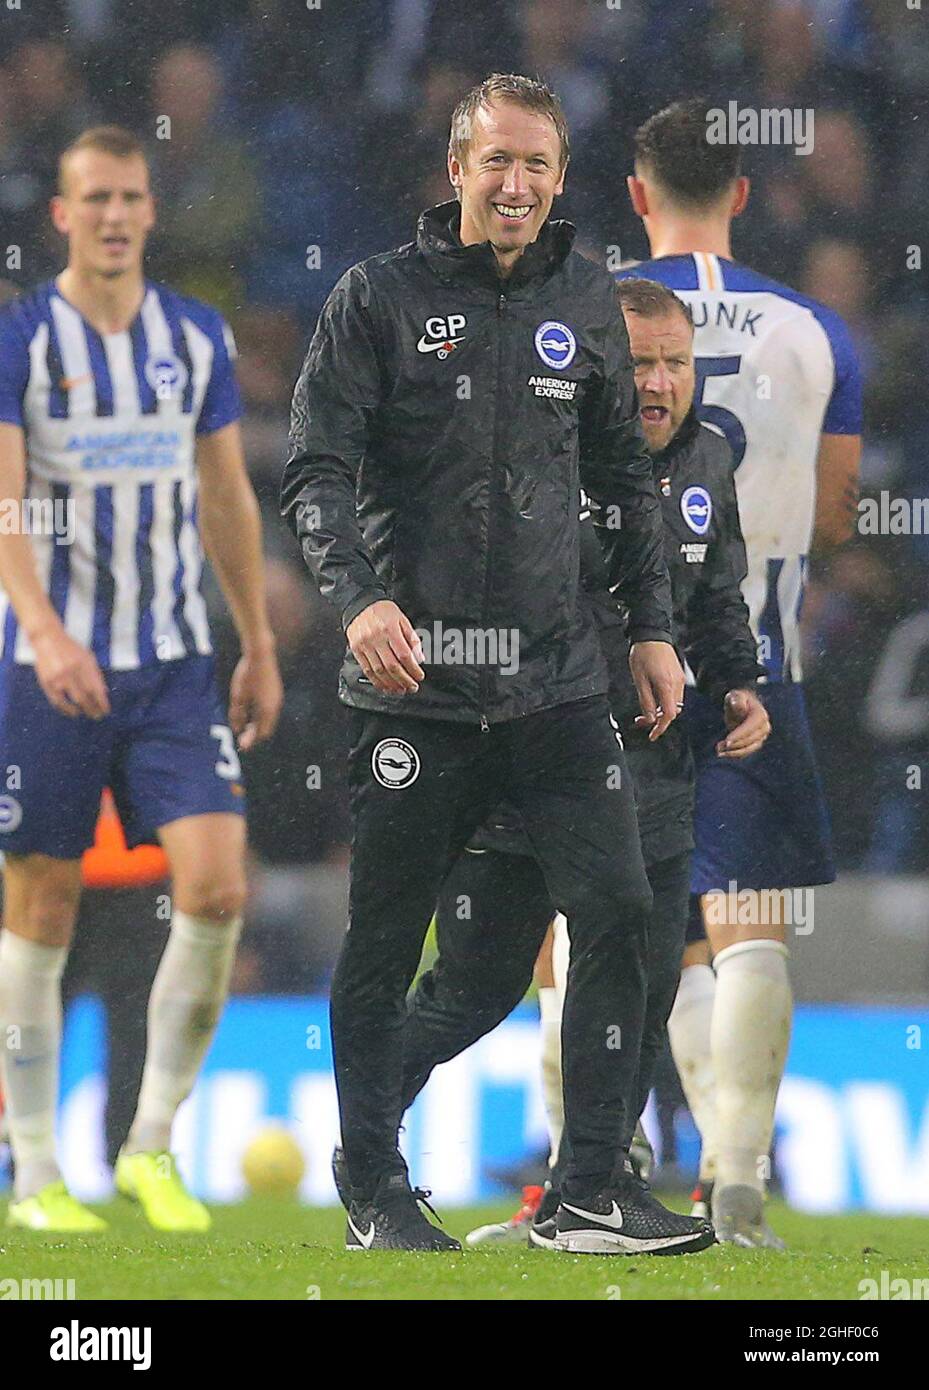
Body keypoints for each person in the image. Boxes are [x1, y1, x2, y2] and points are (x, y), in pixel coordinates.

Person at [282, 73, 712, 1256]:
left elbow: (624, 476)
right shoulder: (376, 298)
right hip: (414, 690)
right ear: (455, 171)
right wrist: (359, 601)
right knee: (388, 941)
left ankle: (587, 1191)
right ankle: (374, 1182)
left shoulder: (584, 292)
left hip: (558, 681)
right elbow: (312, 470)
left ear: (560, 179)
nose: (515, 184)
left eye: (536, 164)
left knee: (621, 912)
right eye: (494, 163)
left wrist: (653, 626)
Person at [388, 278, 768, 1249]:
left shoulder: (709, 461)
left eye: (674, 363)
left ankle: (584, 1189)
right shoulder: (546, 462)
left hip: (657, 768)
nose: (657, 382)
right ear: (598, 368)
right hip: (533, 762)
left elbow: (715, 596)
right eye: (637, 362)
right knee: (474, 987)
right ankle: (364, 1148)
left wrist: (736, 683)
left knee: (639, 977)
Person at [0, 126, 282, 1233]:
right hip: (47, 668)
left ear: (150, 213)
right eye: (94, 199)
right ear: (63, 216)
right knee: (41, 909)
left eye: (131, 197)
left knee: (214, 888)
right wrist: (46, 630)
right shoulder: (23, 338)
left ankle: (151, 1146)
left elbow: (226, 498)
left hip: (171, 666)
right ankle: (32, 1169)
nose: (114, 215)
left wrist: (254, 638)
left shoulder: (193, 338)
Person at [618, 99, 862, 1246]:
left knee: (607, 916)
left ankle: (598, 1169)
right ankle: (737, 1176)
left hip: (607, 666)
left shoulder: (595, 314)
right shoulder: (813, 329)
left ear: (633, 193)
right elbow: (830, 514)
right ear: (745, 194)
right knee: (747, 917)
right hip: (756, 662)